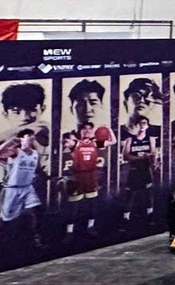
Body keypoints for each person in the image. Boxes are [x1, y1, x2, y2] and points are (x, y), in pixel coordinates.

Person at [0, 83, 50, 250]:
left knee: (35, 211)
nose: (25, 116)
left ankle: (37, 238)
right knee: (6, 218)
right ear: (5, 113)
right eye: (17, 111)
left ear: (42, 108)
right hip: (12, 188)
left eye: (31, 109)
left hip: (28, 187)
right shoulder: (12, 148)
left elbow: (38, 128)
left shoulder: (43, 129)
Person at [60, 79, 112, 203]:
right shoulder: (61, 141)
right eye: (81, 103)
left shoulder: (108, 140)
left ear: (101, 106)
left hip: (102, 199)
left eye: (93, 102)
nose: (88, 109)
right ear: (72, 108)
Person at [119, 78, 163, 224]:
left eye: (147, 97)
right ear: (125, 102)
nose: (142, 100)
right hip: (131, 171)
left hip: (146, 170)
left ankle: (149, 216)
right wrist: (142, 156)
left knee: (148, 193)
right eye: (137, 96)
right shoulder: (120, 132)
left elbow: (153, 153)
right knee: (130, 194)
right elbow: (126, 156)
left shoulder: (157, 132)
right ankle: (125, 218)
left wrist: (152, 159)